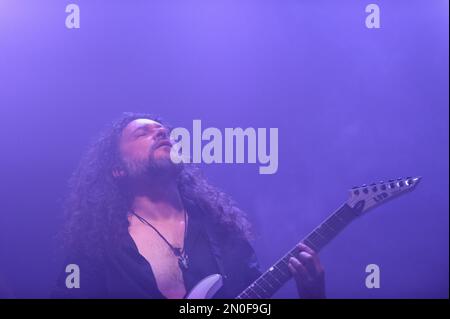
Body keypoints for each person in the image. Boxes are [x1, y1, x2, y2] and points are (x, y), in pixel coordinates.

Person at [52, 112, 325, 299]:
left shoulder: (222, 231)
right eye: (142, 133)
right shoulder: (98, 246)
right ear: (117, 170)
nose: (161, 132)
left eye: (163, 131)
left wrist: (313, 295)